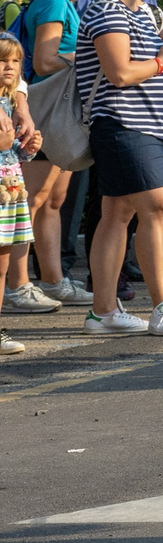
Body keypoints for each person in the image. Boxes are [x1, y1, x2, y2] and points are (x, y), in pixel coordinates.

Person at [72, 0, 163, 336]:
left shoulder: (151, 10)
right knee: (158, 205)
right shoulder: (107, 9)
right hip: (121, 122)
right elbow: (119, 73)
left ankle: (102, 312)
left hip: (154, 124)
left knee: (116, 213)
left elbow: (161, 53)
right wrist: (162, 61)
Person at [14, 0, 95, 306]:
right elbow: (45, 60)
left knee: (53, 200)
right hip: (44, 108)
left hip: (54, 108)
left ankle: (51, 279)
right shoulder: (52, 1)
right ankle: (17, 284)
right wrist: (94, 56)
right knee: (29, 200)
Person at [0, 36, 39, 344]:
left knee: (3, 264)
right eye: (2, 61)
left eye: (14, 61)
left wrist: (28, 148)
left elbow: (13, 150)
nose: (9, 67)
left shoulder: (11, 100)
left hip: (11, 188)